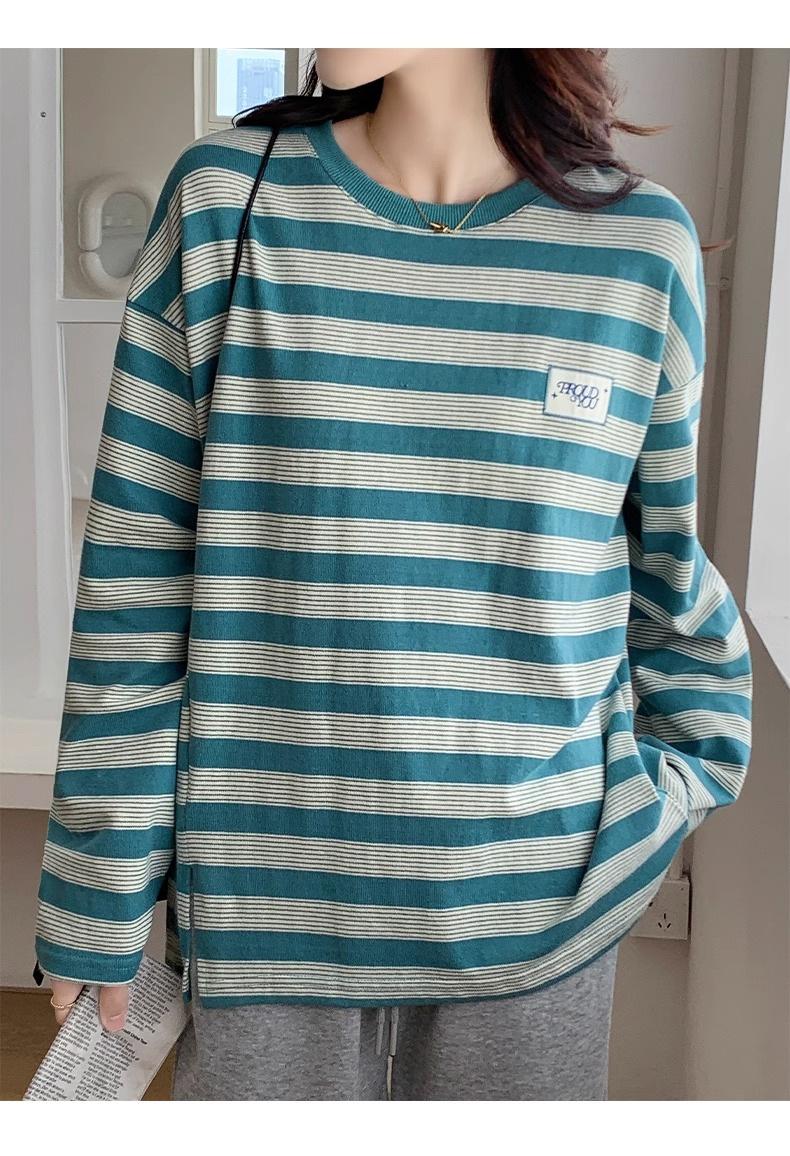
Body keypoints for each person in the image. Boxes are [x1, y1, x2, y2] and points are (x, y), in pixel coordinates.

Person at [32, 48, 753, 1101]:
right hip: (266, 908)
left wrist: (671, 792)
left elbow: (667, 571)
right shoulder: (227, 203)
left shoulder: (639, 245)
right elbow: (139, 579)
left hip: (538, 910)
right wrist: (97, 889)